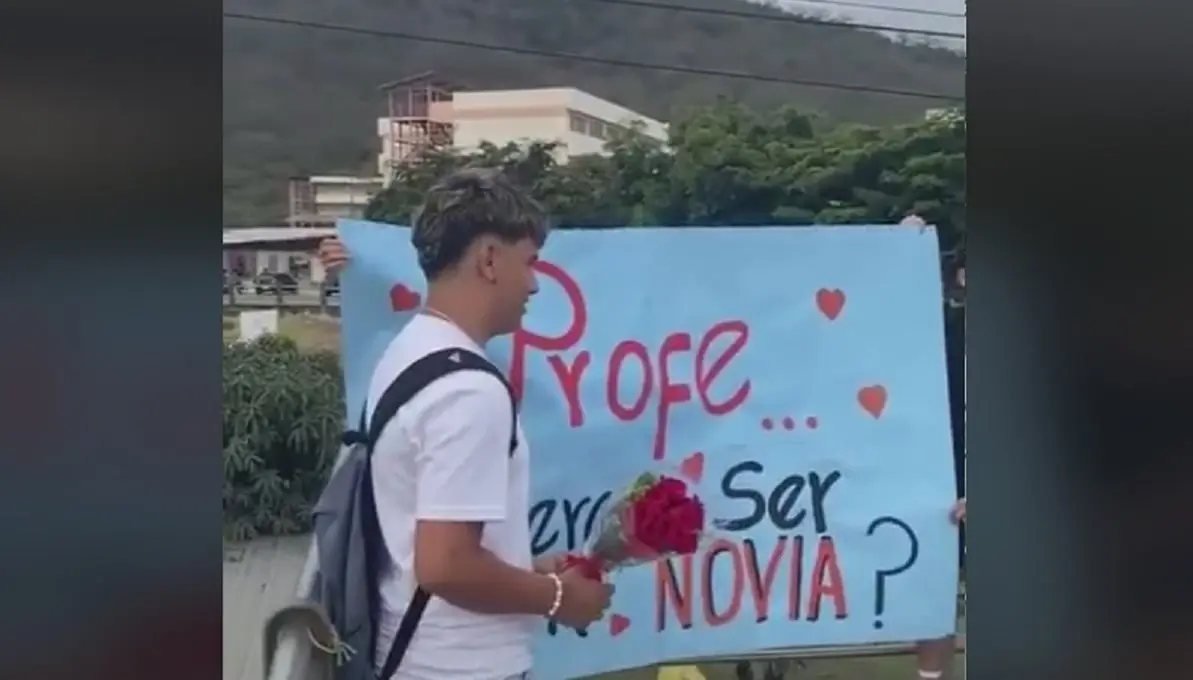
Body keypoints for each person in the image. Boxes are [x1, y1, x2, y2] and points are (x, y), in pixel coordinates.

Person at [358, 168, 613, 680]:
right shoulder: (469, 391)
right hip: (458, 666)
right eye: (530, 262)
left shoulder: (409, 351)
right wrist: (559, 597)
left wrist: (524, 569)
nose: (535, 283)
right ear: (490, 259)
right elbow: (445, 565)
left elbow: (429, 536)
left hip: (415, 655)